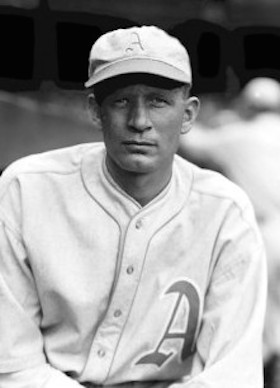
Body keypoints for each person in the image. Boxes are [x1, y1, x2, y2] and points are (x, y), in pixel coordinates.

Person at [0, 26, 266, 388]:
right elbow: (11, 365)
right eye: (122, 100)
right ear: (95, 110)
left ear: (188, 115)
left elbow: (231, 375)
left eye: (158, 101)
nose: (139, 122)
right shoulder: (25, 190)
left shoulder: (225, 213)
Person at [178, 76, 280, 388]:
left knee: (258, 322)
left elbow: (189, 141)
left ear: (249, 106)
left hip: (268, 235)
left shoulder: (237, 136)